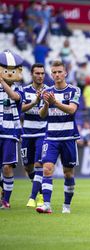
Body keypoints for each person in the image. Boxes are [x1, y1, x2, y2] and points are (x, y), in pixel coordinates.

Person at [36, 60, 81, 214]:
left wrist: (55, 102)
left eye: (59, 72)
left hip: (68, 137)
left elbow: (72, 110)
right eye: (54, 72)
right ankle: (46, 204)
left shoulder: (74, 90)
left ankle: (66, 205)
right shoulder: (47, 92)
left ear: (65, 73)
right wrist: (47, 104)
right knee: (47, 169)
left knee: (68, 173)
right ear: (51, 74)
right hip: (51, 137)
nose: (56, 75)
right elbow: (41, 115)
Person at [22, 63, 48, 208]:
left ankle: (34, 198)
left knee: (39, 164)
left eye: (42, 73)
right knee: (28, 168)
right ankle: (40, 192)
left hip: (42, 133)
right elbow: (21, 109)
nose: (40, 76)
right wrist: (35, 102)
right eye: (37, 73)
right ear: (32, 74)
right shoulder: (25, 90)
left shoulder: (49, 91)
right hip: (27, 133)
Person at [0, 56, 24, 209]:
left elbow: (14, 97)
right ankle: (4, 188)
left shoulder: (19, 88)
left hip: (10, 132)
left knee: (7, 167)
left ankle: (6, 201)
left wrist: (2, 81)